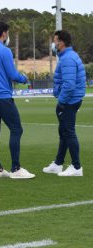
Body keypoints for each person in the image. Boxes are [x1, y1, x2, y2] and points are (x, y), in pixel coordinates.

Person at [0, 22, 34, 179]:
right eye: (7, 33)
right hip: (2, 97)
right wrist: (24, 79)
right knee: (17, 129)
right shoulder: (5, 51)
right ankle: (16, 169)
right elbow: (12, 74)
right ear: (4, 33)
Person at [43, 30, 86, 177]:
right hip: (71, 99)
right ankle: (58, 163)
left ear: (61, 42)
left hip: (69, 101)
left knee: (68, 132)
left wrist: (61, 102)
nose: (53, 44)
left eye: (55, 41)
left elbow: (69, 84)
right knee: (64, 133)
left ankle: (76, 167)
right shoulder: (68, 56)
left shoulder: (67, 59)